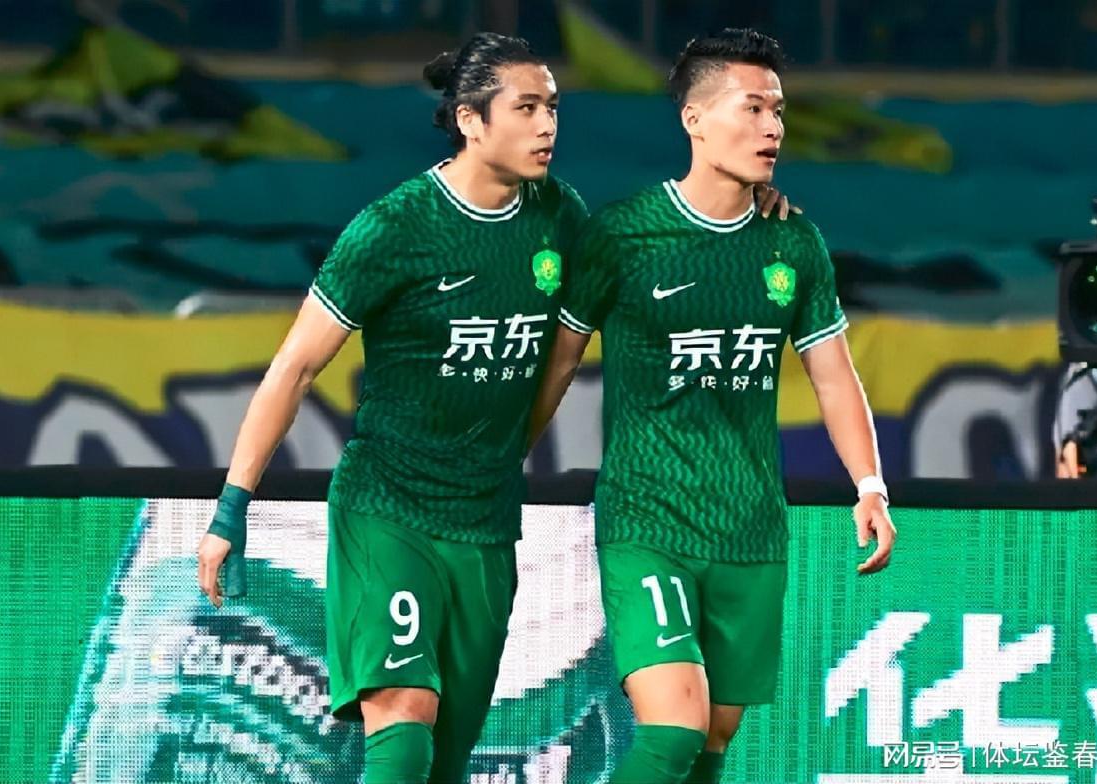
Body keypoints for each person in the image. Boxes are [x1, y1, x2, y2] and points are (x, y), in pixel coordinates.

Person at [196, 32, 586, 784]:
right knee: (404, 724)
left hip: (485, 523)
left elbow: (580, 335)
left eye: (553, 107)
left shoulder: (560, 216)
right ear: (471, 120)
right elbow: (295, 367)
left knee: (446, 761)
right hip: (388, 507)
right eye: (527, 108)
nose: (548, 125)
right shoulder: (394, 228)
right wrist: (231, 508)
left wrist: (747, 203)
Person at [529, 28, 897, 784]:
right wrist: (500, 462)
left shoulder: (793, 243)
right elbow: (558, 360)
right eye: (752, 107)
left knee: (712, 743)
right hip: (648, 520)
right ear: (694, 119)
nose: (773, 127)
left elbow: (833, 376)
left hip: (750, 527)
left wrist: (870, 484)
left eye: (779, 111)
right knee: (674, 730)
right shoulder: (623, 235)